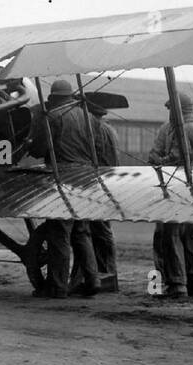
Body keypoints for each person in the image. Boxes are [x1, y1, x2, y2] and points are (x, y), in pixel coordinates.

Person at [25, 80, 101, 298]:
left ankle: (57, 287)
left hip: (64, 178)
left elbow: (40, 149)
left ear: (55, 98)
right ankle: (93, 280)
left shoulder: (53, 117)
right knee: (81, 231)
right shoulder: (89, 117)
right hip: (87, 177)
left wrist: (29, 143)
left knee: (59, 233)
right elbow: (97, 145)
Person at [147, 91, 193, 299]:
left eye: (170, 110)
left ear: (176, 110)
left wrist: (157, 160)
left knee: (170, 236)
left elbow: (176, 158)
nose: (169, 114)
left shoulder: (180, 129)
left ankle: (177, 284)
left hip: (178, 189)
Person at [70, 94, 121, 294]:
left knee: (95, 231)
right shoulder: (108, 128)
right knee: (100, 230)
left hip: (97, 182)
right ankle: (107, 274)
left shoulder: (96, 129)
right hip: (107, 181)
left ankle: (102, 275)